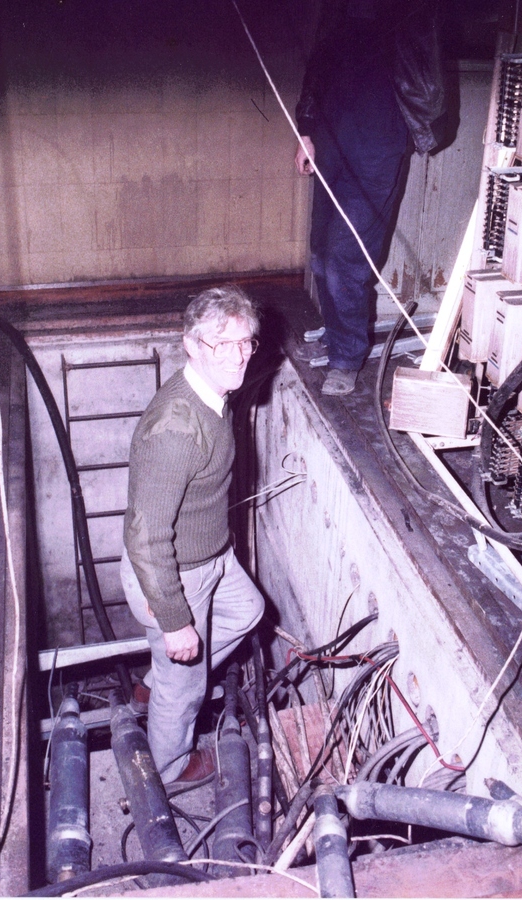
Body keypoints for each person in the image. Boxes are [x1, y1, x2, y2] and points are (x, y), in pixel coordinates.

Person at [120, 285, 265, 788]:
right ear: (191, 345)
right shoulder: (179, 429)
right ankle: (171, 768)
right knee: (183, 691)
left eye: (245, 342)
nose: (238, 355)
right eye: (220, 345)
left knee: (247, 612)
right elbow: (147, 535)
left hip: (210, 556)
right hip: (172, 573)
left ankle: (155, 683)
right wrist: (177, 623)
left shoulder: (213, 397)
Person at [294, 0, 445, 396]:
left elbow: (430, 86)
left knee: (346, 259)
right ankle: (337, 337)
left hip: (377, 152)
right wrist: (306, 131)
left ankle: (347, 359)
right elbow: (318, 66)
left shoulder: (411, 13)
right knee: (320, 256)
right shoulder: (338, 11)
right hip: (330, 143)